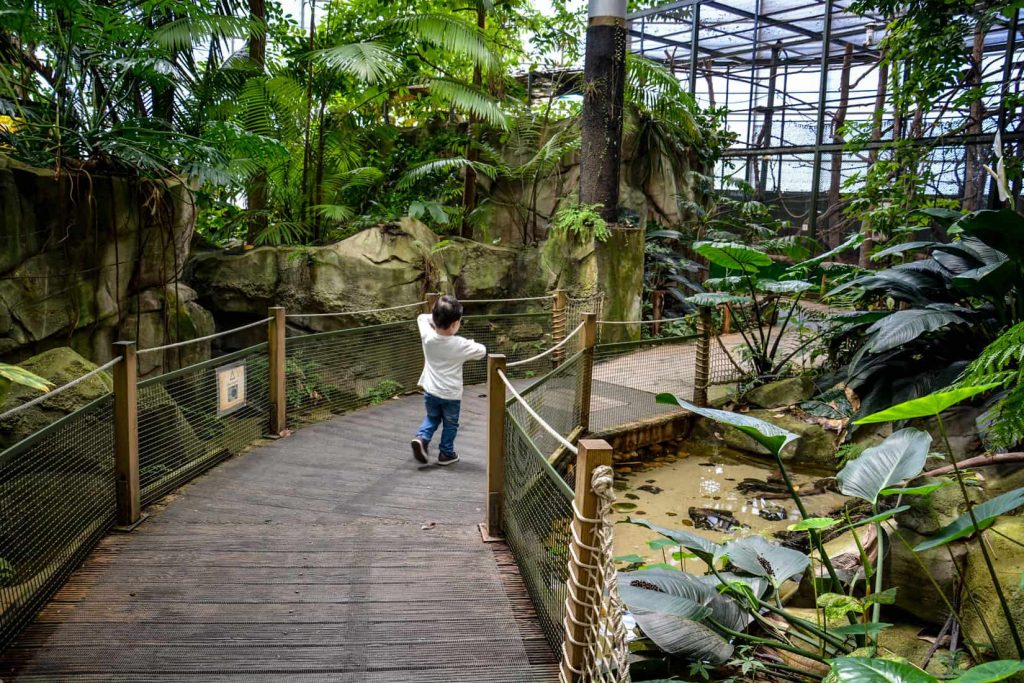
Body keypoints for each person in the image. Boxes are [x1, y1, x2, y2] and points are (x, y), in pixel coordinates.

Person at [411, 295, 486, 465]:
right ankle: (446, 454)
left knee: (432, 417)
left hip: (430, 390)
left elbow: (422, 317)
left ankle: (422, 438)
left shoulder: (428, 337)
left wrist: (437, 319)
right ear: (454, 324)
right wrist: (469, 341)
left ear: (435, 318)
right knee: (450, 425)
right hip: (451, 395)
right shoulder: (460, 344)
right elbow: (482, 351)